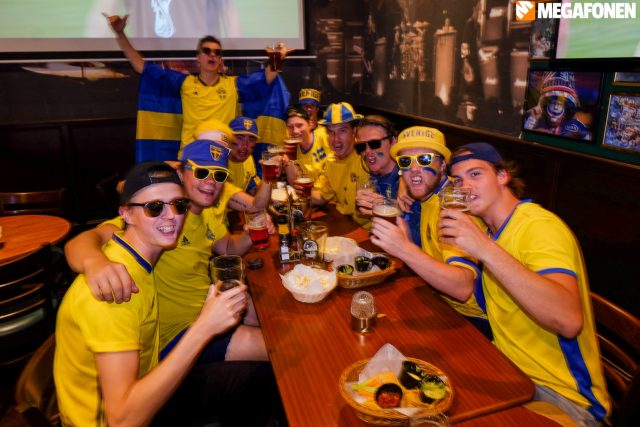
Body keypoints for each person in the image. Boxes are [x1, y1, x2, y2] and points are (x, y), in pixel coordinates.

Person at [53, 161, 249, 426]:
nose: (171, 216)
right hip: (122, 417)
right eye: (154, 207)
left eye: (179, 205)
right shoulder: (115, 290)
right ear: (126, 214)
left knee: (257, 379)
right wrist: (204, 328)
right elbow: (122, 421)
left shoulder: (135, 257)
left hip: (148, 384)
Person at [441, 142, 610, 425]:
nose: (465, 186)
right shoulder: (489, 231)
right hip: (509, 372)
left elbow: (568, 321)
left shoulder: (539, 227)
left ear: (502, 176)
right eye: (457, 180)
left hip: (563, 399)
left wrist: (483, 248)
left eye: (475, 174)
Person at [65, 139, 269, 364]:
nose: (211, 181)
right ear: (180, 174)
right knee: (275, 350)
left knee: (269, 322)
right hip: (177, 335)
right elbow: (83, 241)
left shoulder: (206, 213)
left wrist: (250, 235)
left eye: (219, 175)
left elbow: (228, 247)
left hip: (209, 309)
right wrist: (95, 262)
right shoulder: (157, 218)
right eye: (201, 172)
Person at [104, 14, 293, 155]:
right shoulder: (184, 83)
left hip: (223, 156)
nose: (212, 55)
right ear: (198, 58)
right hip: (191, 156)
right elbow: (141, 66)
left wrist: (278, 60)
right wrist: (120, 34)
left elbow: (266, 78)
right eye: (207, 51)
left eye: (217, 53)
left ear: (220, 60)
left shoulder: (233, 84)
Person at [369, 126, 489, 337]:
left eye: (425, 159)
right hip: (437, 300)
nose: (414, 169)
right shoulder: (426, 197)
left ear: (442, 165)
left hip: (471, 321)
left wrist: (404, 249)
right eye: (406, 162)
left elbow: (463, 288)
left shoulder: (454, 204)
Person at [311, 102, 371, 227]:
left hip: (369, 231)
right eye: (331, 132)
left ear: (354, 131)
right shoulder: (331, 162)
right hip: (345, 224)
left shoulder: (367, 157)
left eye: (342, 131)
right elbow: (321, 196)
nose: (335, 139)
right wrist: (294, 195)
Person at [523, 71, 591, 140]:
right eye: (553, 103)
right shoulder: (531, 117)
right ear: (546, 106)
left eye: (560, 104)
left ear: (565, 111)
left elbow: (587, 141)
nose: (556, 107)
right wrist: (531, 129)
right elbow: (521, 137)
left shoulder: (576, 126)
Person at [284, 105, 330, 185]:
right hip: (313, 191)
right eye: (290, 127)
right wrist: (288, 160)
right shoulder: (293, 149)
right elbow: (294, 183)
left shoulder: (325, 135)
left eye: (299, 125)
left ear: (310, 124)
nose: (295, 131)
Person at [227, 116, 261, 194]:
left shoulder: (248, 159)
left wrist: (269, 176)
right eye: (239, 138)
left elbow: (253, 189)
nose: (245, 146)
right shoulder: (218, 162)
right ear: (228, 139)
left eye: (251, 140)